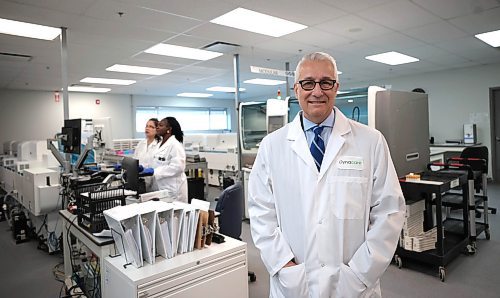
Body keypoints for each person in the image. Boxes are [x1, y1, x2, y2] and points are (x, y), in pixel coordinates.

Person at [248, 52, 405, 297]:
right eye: (308, 83)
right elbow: (260, 212)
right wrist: (283, 265)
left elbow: (389, 212)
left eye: (326, 82)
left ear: (336, 87)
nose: (317, 91)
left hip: (354, 283)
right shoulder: (272, 145)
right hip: (294, 282)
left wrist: (360, 273)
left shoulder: (371, 141)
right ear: (296, 89)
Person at [151, 117, 188, 203]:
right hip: (161, 187)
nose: (157, 127)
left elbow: (178, 167)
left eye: (161, 125)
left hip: (173, 189)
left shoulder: (175, 145)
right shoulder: (159, 144)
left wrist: (155, 171)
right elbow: (155, 161)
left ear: (169, 129)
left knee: (175, 214)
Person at [133, 118, 160, 192]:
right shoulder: (141, 144)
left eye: (151, 127)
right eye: (146, 126)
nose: (147, 128)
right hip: (141, 180)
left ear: (157, 130)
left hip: (155, 182)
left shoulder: (160, 145)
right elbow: (134, 161)